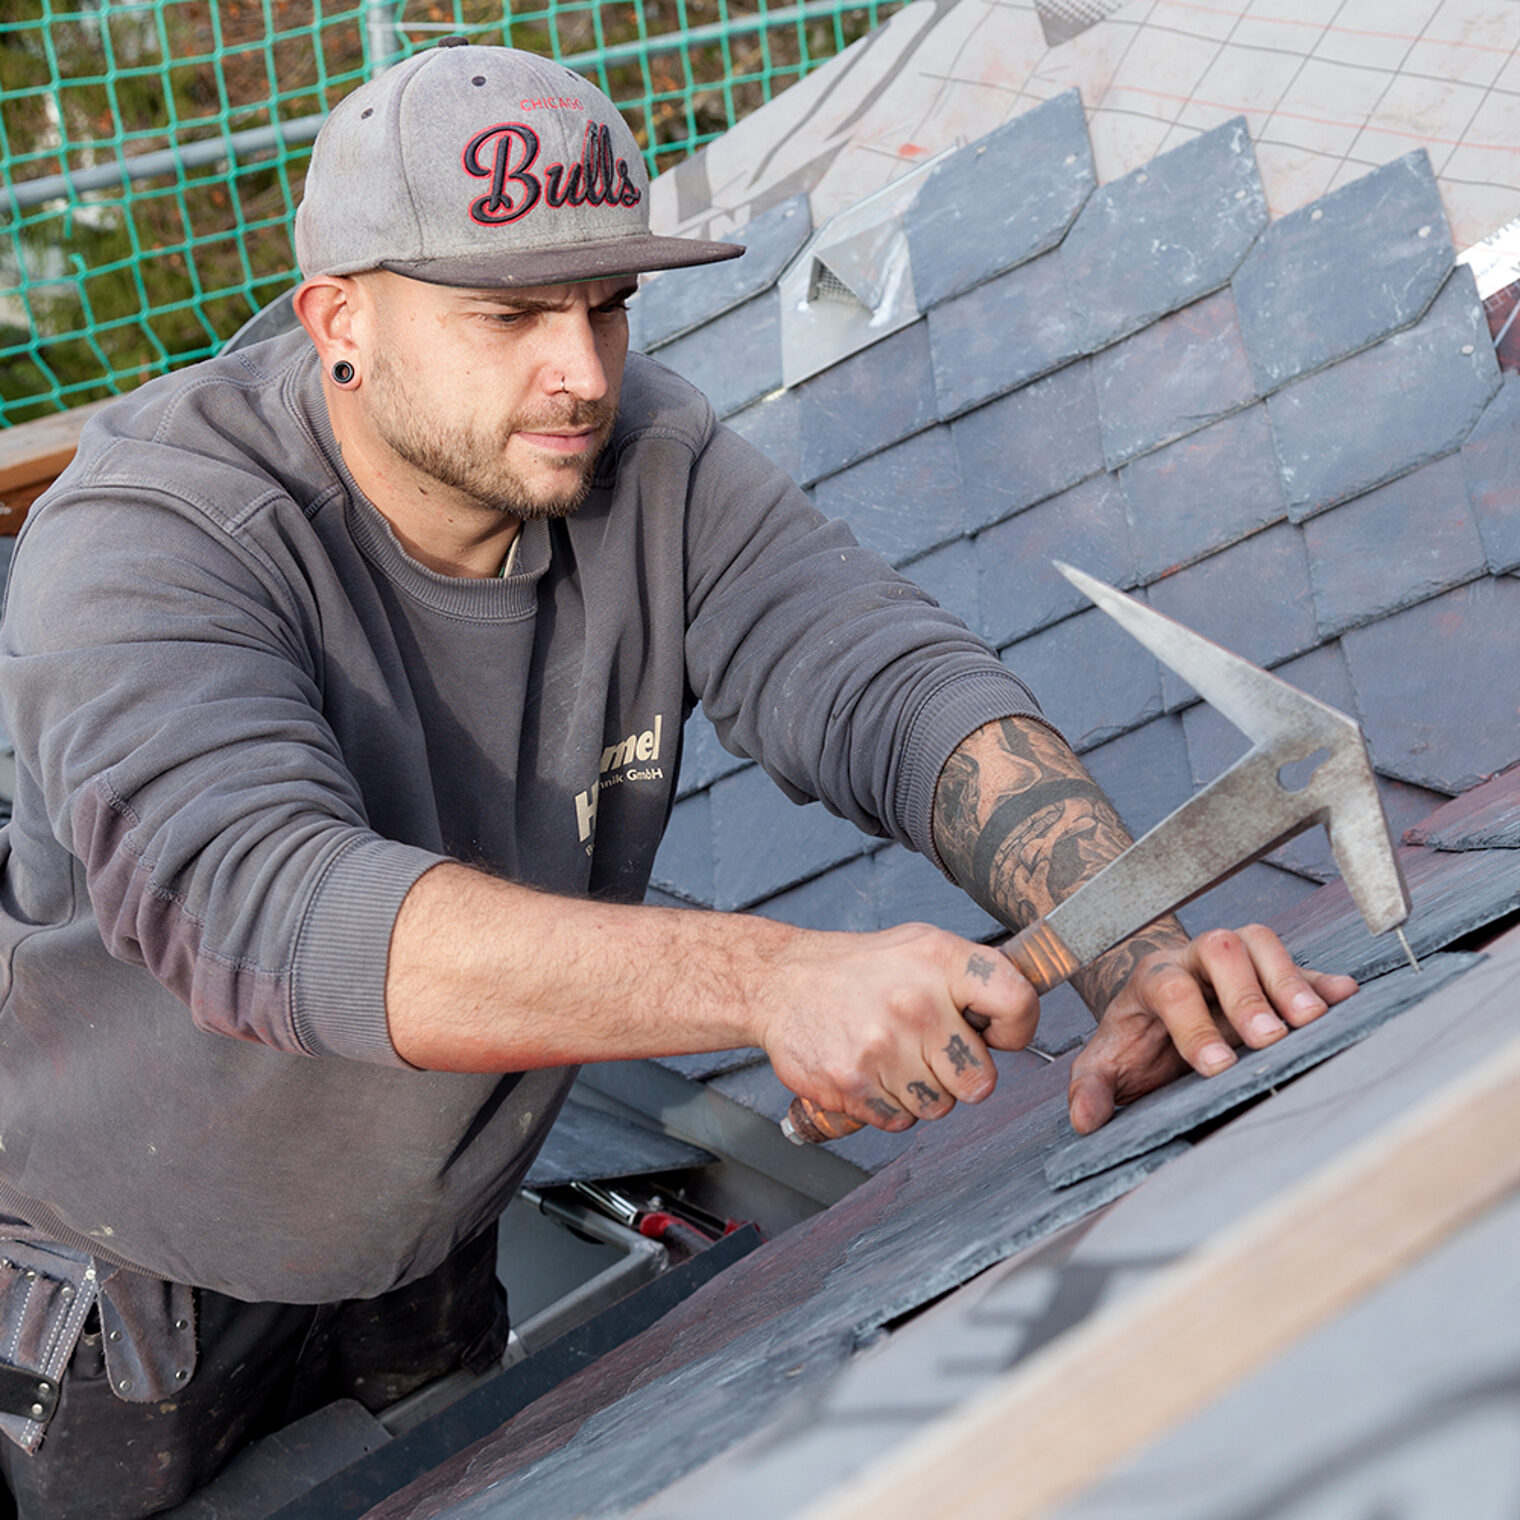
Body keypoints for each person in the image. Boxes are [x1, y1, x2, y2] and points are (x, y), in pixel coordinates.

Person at [0, 40, 1355, 1519]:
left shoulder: (645, 463)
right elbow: (276, 916)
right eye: (512, 316)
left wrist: (1135, 949)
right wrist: (776, 979)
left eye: (607, 306)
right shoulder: (150, 542)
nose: (579, 374)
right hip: (127, 1297)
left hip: (429, 1244)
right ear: (343, 321)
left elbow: (892, 688)